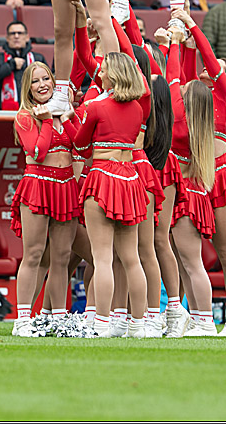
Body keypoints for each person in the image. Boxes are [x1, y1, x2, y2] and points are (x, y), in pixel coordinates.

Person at [62, 52, 149, 337]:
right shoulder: (137, 107)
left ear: (113, 74)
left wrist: (67, 118)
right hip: (130, 177)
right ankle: (139, 323)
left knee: (101, 258)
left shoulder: (96, 105)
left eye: (104, 71)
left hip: (102, 175)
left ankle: (101, 323)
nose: (100, 74)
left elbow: (79, 143)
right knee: (131, 258)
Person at [10, 61, 81, 335]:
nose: (42, 85)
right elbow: (37, 151)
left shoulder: (62, 113)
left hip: (66, 187)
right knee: (34, 254)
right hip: (38, 185)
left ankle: (58, 317)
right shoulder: (25, 117)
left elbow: (80, 145)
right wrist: (49, 121)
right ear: (28, 88)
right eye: (36, 81)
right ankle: (23, 319)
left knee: (62, 257)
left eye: (46, 79)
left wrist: (68, 118)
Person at [159, 24, 218, 336]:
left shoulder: (180, 123)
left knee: (192, 263)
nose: (179, 91)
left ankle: (205, 321)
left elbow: (172, 78)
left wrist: (174, 44)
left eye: (183, 93)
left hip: (186, 197)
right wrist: (183, 47)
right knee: (187, 263)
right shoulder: (200, 123)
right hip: (195, 193)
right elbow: (178, 81)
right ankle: (198, 318)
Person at [0, 21, 47, 110]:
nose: (16, 36)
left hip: (34, 112)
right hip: (2, 114)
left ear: (27, 37)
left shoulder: (37, 58)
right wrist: (10, 65)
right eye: (12, 33)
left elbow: (48, 83)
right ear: (7, 38)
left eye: (20, 33)